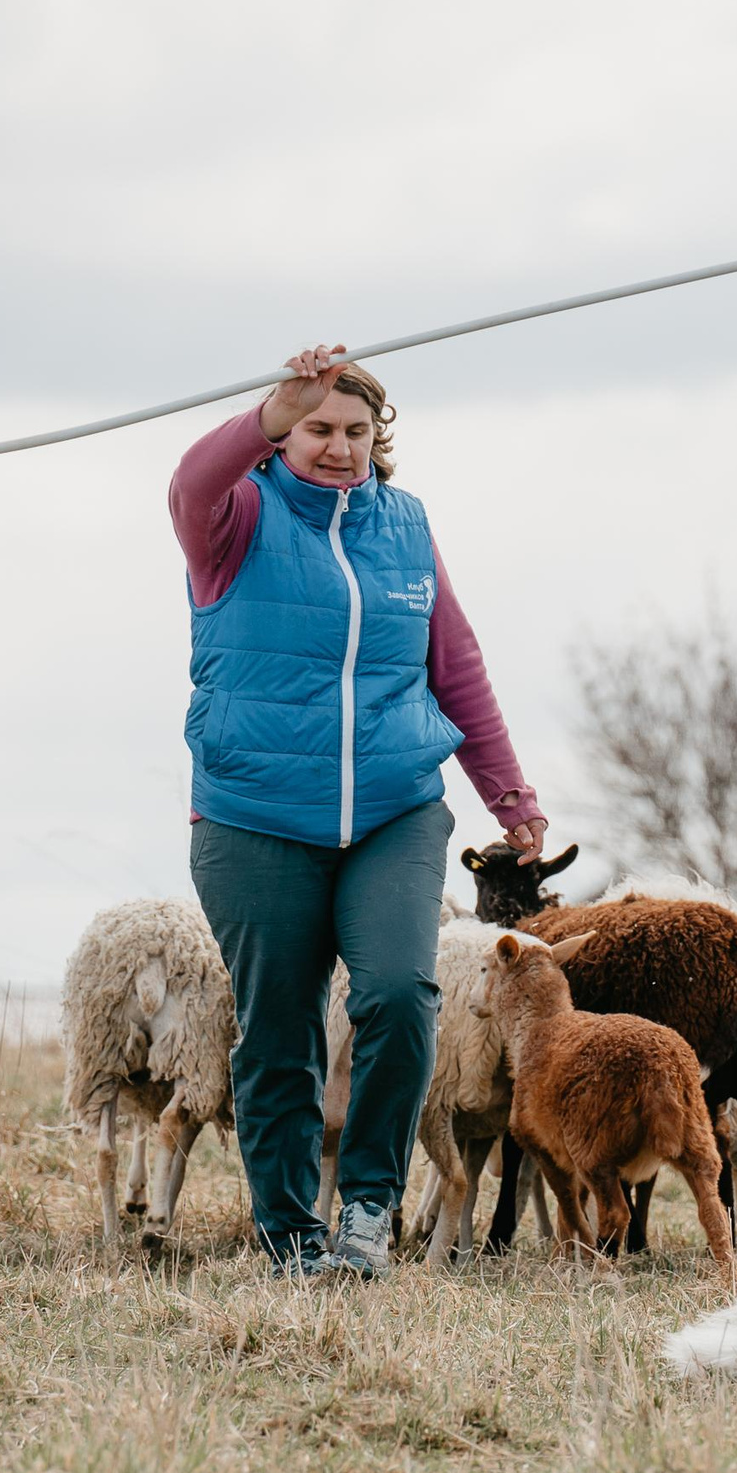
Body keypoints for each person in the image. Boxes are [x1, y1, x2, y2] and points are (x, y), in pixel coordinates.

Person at [170, 343, 547, 1277]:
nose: (339, 448)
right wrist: (263, 411)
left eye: (355, 431)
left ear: (379, 438)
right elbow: (188, 484)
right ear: (283, 433)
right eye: (317, 429)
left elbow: (453, 667)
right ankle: (290, 1229)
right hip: (256, 814)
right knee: (282, 1023)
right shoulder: (235, 519)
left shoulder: (405, 527)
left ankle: (370, 1211)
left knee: (397, 996)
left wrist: (509, 794)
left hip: (394, 806)